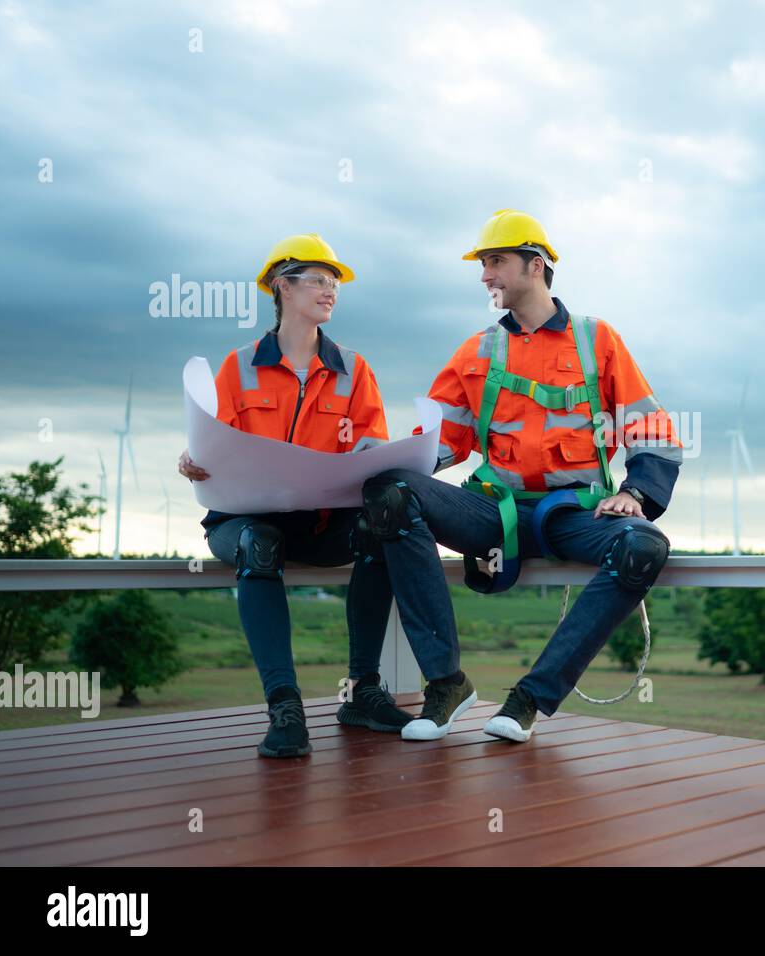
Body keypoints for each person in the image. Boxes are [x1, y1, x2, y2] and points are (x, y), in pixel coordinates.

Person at [362, 209, 683, 743]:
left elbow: (654, 431)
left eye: (495, 262)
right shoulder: (477, 351)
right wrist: (375, 458)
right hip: (492, 510)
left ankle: (530, 699)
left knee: (643, 548)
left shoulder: (596, 341)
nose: (485, 275)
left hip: (573, 514)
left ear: (535, 265)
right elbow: (437, 446)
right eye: (483, 264)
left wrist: (636, 492)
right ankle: (445, 684)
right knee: (390, 494)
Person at [178, 233, 412, 757]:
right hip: (244, 522)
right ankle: (285, 707)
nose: (330, 291)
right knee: (259, 544)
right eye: (319, 281)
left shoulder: (355, 370)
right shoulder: (239, 366)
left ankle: (362, 691)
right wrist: (193, 461)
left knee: (386, 526)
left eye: (335, 284)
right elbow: (213, 442)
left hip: (324, 522)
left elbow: (372, 445)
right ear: (282, 286)